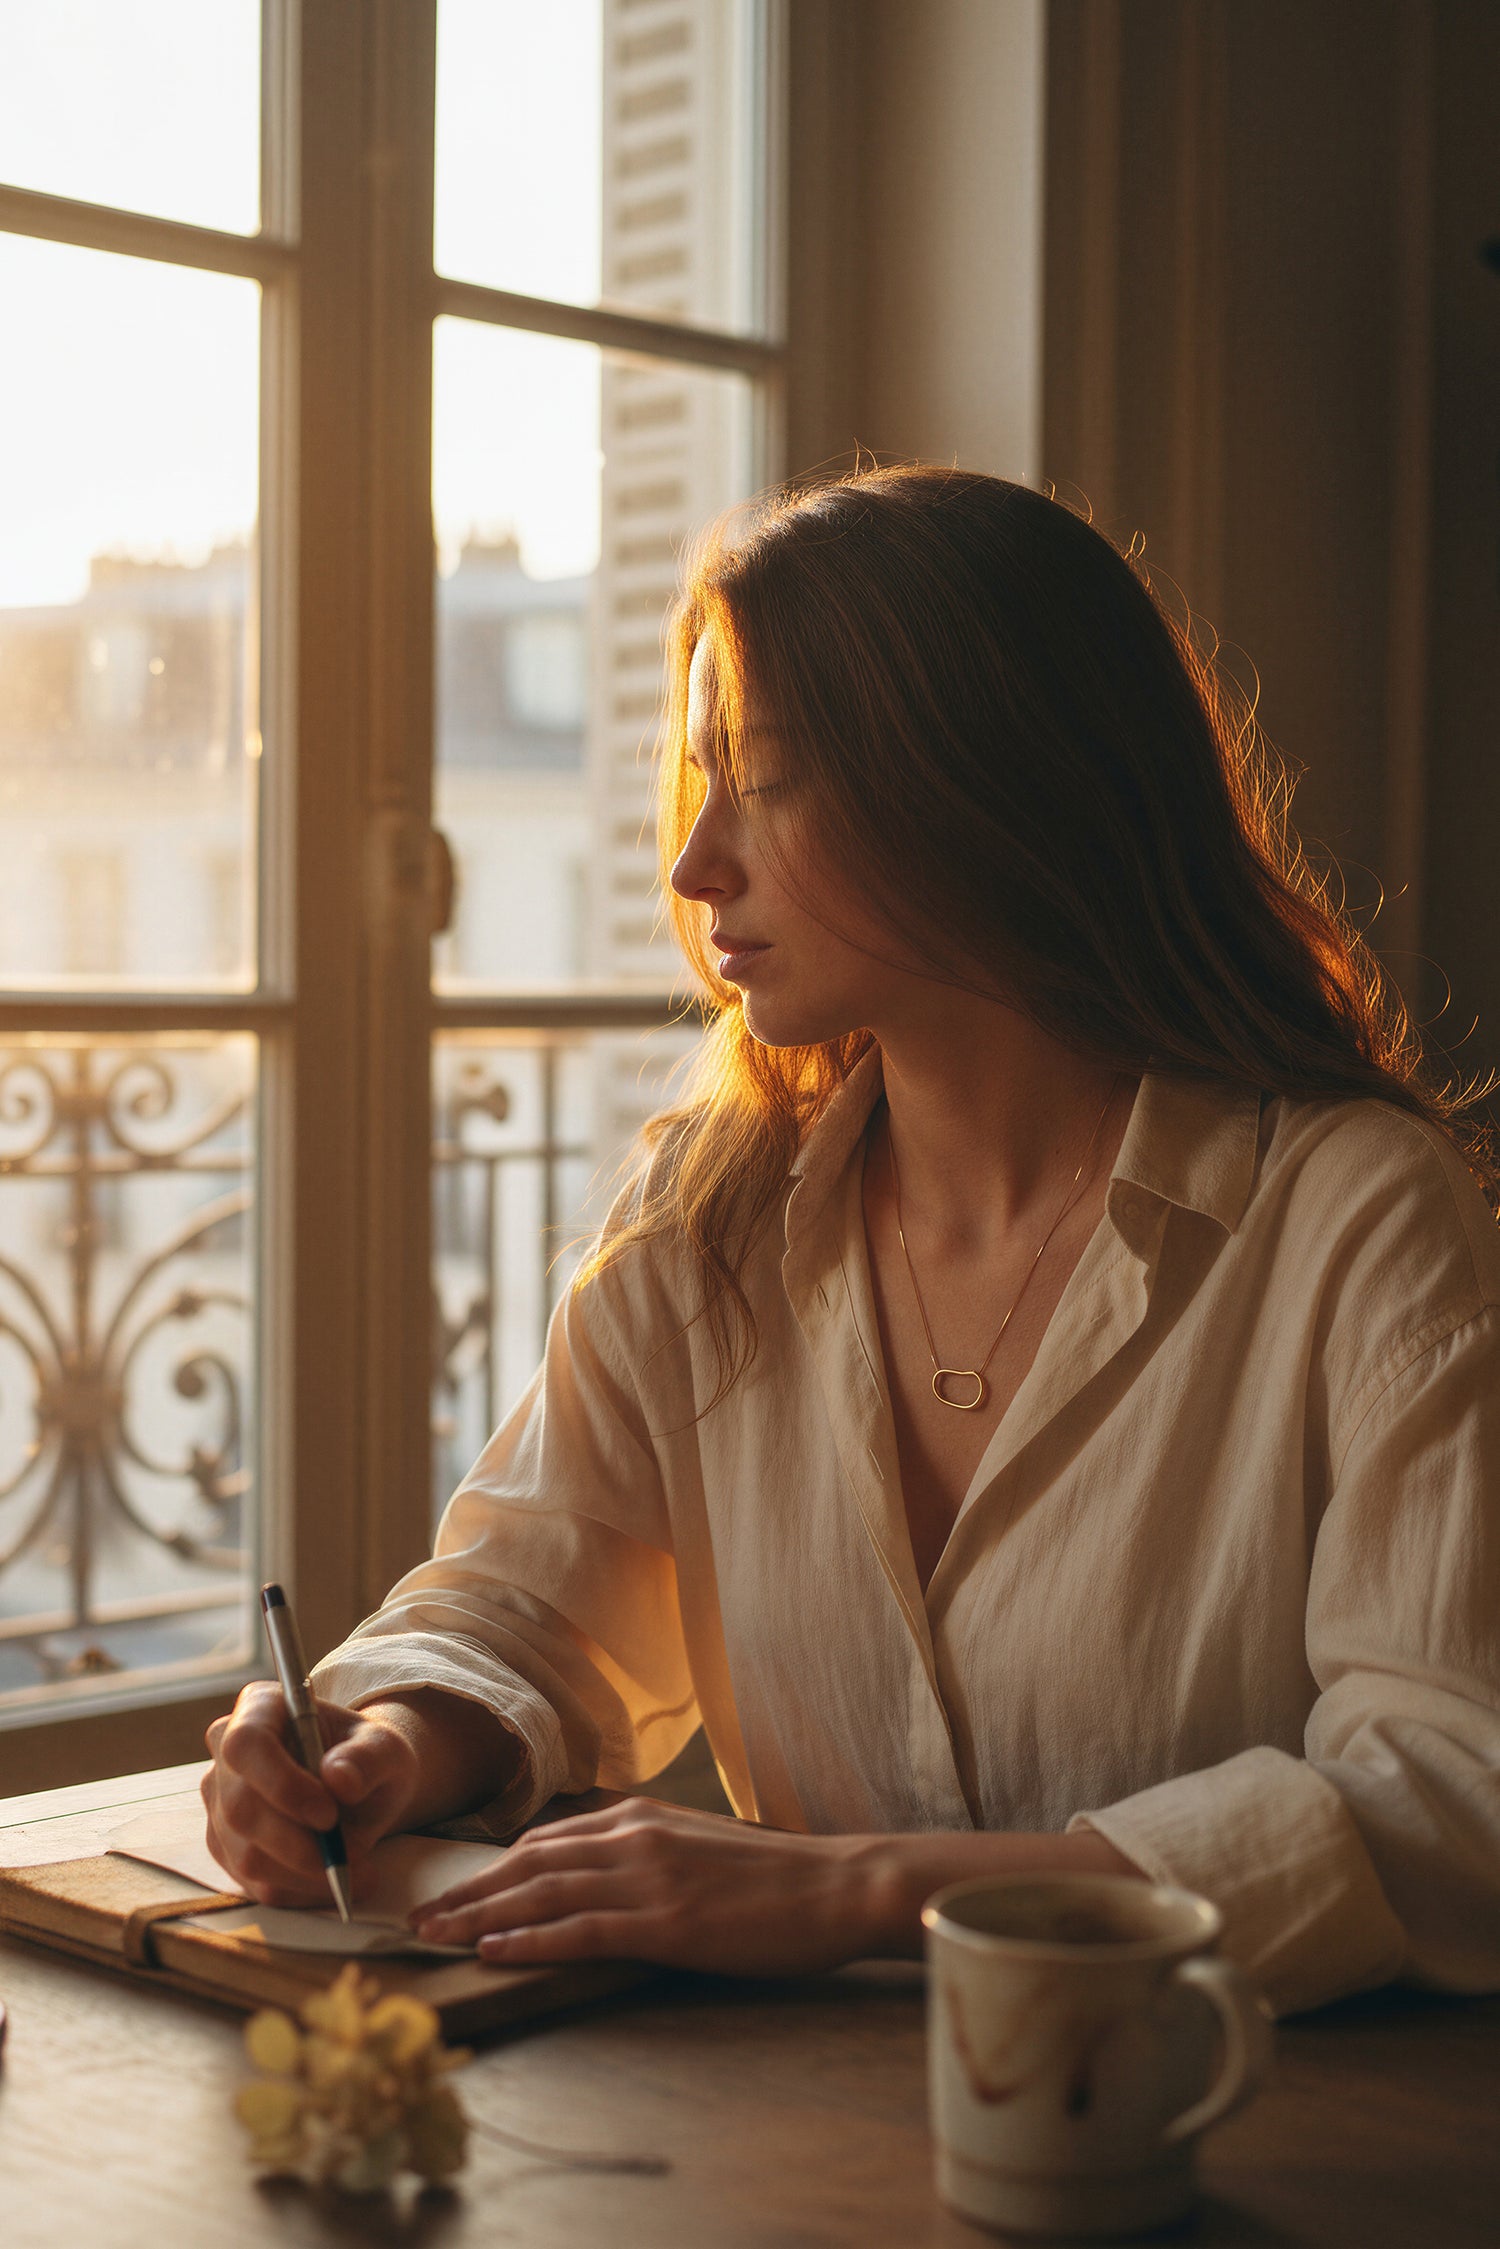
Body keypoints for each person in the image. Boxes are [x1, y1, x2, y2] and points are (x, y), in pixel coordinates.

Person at [202, 467, 1500, 2017]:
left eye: (766, 779)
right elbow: (528, 1603)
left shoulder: (1356, 1216)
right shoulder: (706, 1213)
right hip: (793, 2146)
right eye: (700, 783)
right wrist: (383, 1737)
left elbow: (1451, 1804)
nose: (697, 867)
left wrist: (856, 1890)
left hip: (1251, 2146)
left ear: (984, 780)